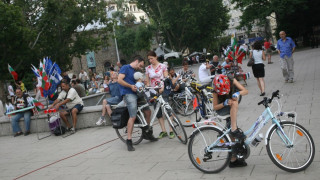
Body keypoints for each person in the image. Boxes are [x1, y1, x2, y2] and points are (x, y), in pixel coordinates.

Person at [118, 55, 157, 151]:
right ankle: (129, 140)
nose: (141, 67)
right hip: (128, 94)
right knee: (133, 116)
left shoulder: (135, 72)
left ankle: (147, 133)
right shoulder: (125, 68)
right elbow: (119, 80)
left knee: (148, 111)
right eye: (140, 65)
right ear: (136, 61)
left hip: (137, 93)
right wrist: (130, 86)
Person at [212, 74, 248, 167]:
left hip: (232, 107)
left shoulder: (231, 80)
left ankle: (233, 158)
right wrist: (224, 103)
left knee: (231, 133)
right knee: (234, 104)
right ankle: (233, 129)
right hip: (222, 109)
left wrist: (238, 93)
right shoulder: (215, 89)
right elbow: (215, 107)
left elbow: (245, 90)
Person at [145, 51, 175, 139]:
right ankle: (163, 130)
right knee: (158, 111)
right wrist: (147, 87)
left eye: (152, 58)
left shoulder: (163, 66)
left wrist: (162, 86)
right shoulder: (148, 68)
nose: (150, 60)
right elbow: (147, 80)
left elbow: (166, 77)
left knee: (168, 109)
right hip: (153, 91)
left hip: (163, 89)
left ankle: (171, 129)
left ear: (156, 57)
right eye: (149, 59)